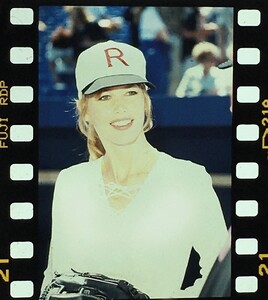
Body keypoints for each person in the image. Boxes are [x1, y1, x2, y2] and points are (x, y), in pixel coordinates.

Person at [40, 40, 229, 298]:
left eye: (130, 92)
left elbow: (218, 286)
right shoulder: (71, 183)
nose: (120, 107)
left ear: (145, 102)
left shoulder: (188, 179)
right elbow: (53, 278)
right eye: (104, 96)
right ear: (85, 111)